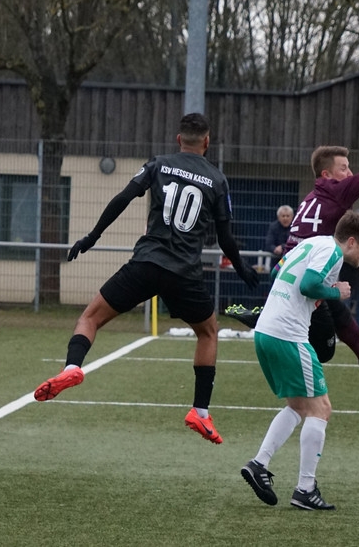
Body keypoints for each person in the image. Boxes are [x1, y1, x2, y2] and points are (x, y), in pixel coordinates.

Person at [33, 113, 260, 444]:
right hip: (184, 272)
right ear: (207, 142)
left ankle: (72, 368)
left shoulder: (159, 164)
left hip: (146, 263)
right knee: (208, 332)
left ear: (178, 139)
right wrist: (241, 267)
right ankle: (200, 412)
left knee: (90, 318)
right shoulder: (217, 180)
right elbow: (225, 236)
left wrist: (92, 237)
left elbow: (123, 198)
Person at [226, 115, 359, 372]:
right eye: (344, 168)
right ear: (326, 174)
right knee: (325, 348)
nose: (350, 173)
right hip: (306, 281)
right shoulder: (338, 191)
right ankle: (269, 324)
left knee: (338, 309)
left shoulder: (310, 198)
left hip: (288, 273)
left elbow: (294, 247)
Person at [240, 210, 359, 510]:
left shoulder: (310, 243)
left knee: (299, 406)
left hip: (266, 331)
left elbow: (277, 273)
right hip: (288, 336)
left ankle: (259, 464)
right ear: (351, 241)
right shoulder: (332, 252)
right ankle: (305, 488)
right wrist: (335, 292)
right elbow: (308, 285)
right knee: (321, 408)